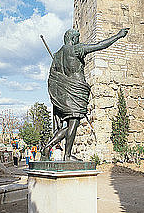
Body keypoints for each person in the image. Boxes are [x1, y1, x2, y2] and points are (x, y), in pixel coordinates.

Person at [43, 27, 129, 160]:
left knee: (71, 124)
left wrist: (56, 100)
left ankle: (48, 147)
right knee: (74, 123)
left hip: (63, 94)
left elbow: (52, 79)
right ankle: (67, 155)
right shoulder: (75, 49)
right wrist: (118, 35)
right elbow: (100, 45)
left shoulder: (57, 55)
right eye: (77, 38)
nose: (78, 41)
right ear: (72, 38)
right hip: (76, 90)